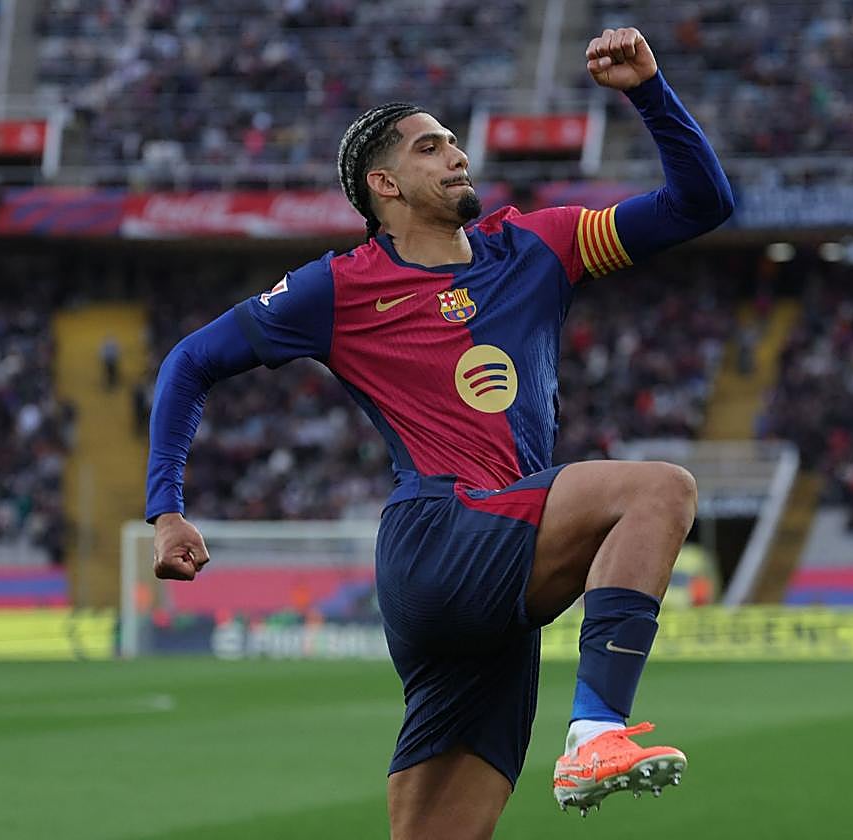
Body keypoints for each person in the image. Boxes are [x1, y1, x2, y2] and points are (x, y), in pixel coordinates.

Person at [145, 27, 733, 840]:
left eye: (455, 141)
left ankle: (589, 735)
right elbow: (188, 362)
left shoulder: (536, 247)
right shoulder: (338, 287)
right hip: (439, 539)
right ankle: (597, 733)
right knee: (659, 489)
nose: (457, 155)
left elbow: (701, 205)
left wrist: (649, 91)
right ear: (384, 184)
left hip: (494, 586)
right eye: (432, 147)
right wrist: (166, 508)